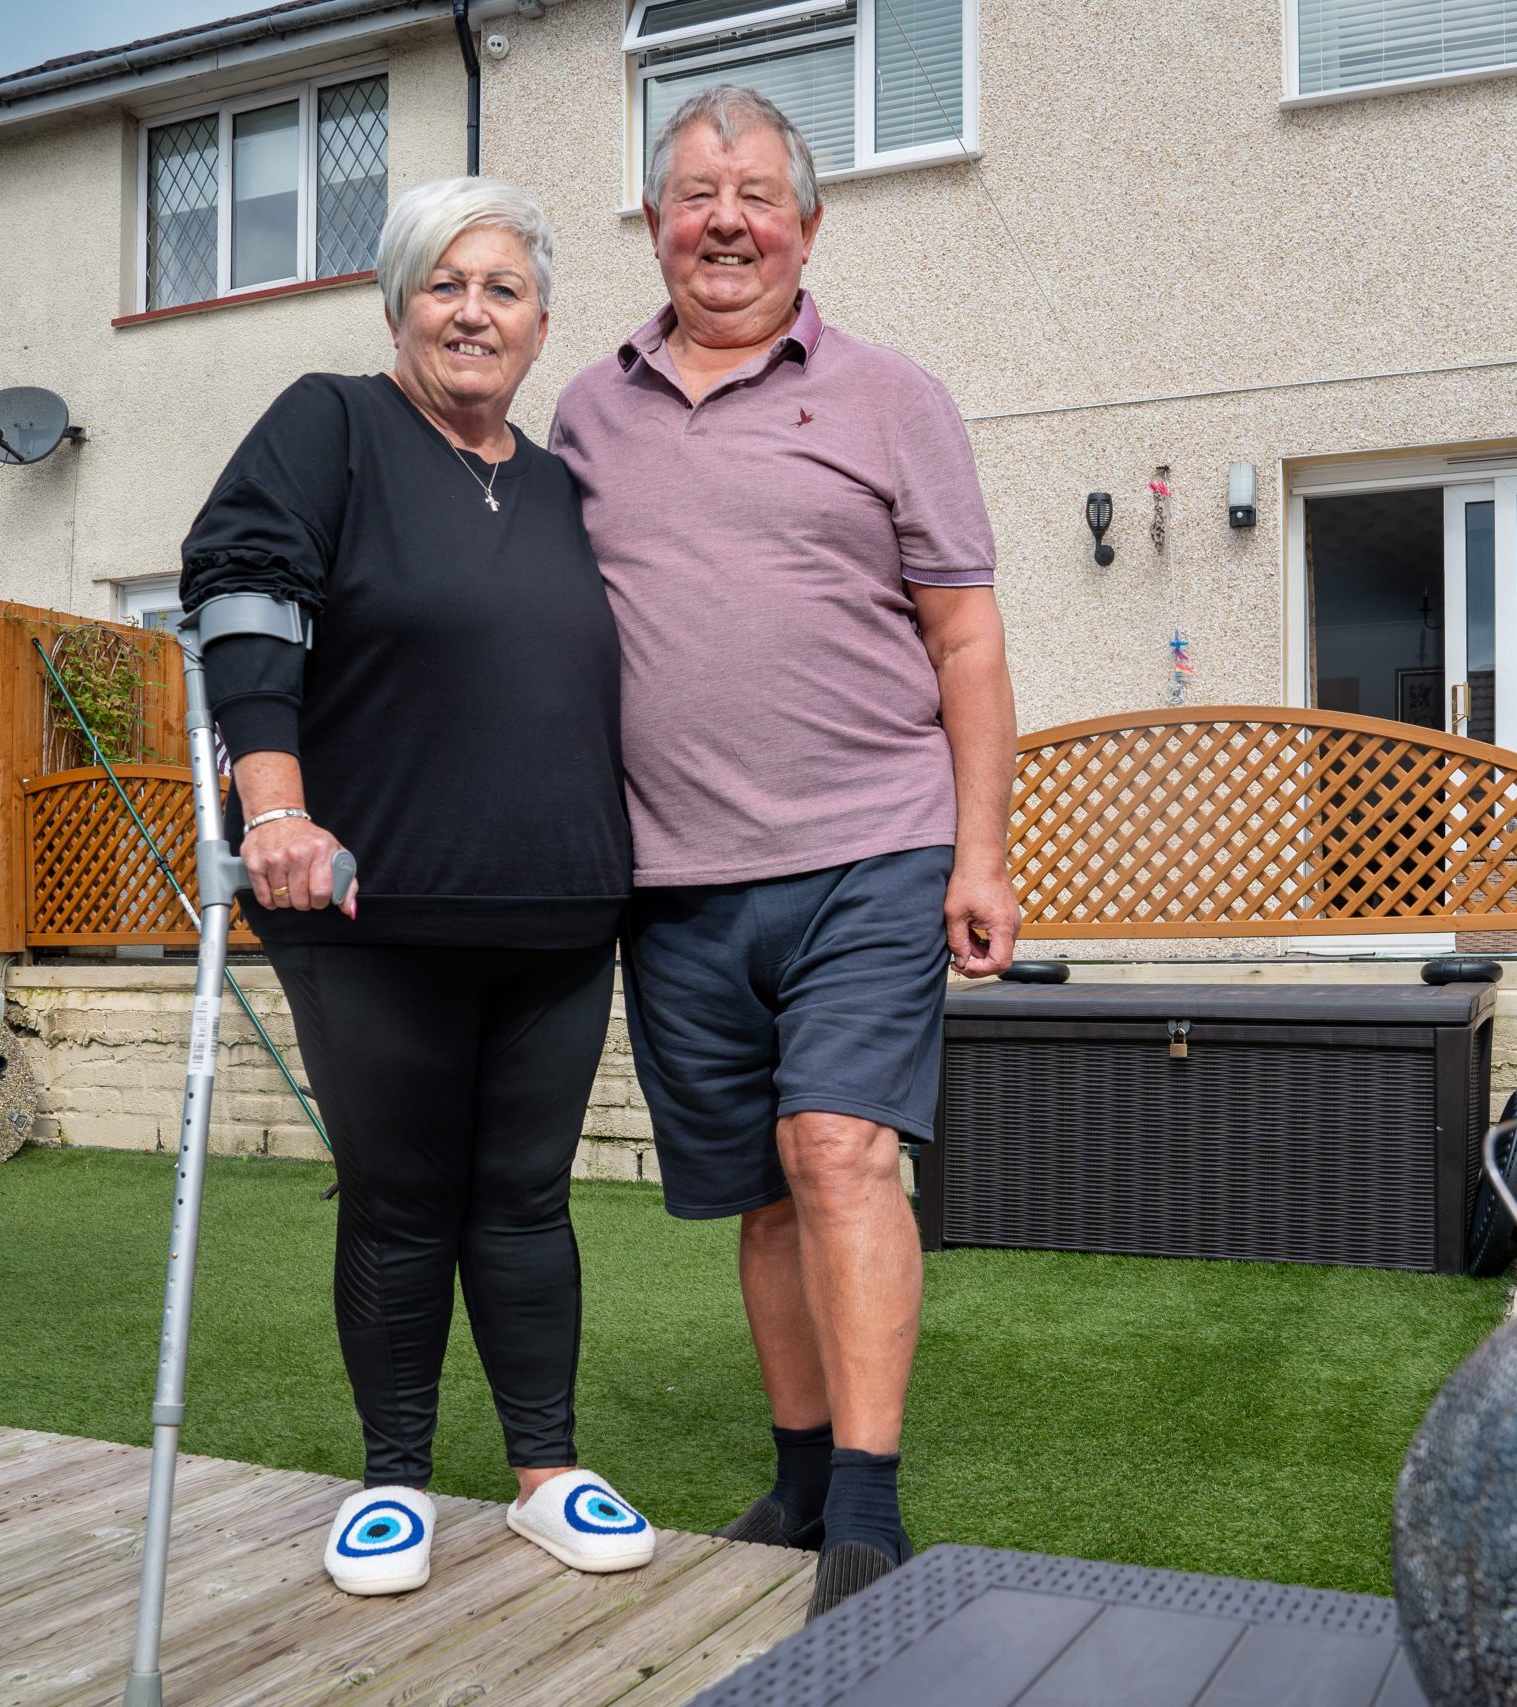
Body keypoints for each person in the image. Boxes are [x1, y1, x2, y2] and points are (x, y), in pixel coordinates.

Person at [550, 86, 1020, 1619]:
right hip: (673, 882)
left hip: (870, 851)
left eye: (756, 192)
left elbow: (966, 641)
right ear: (657, 223)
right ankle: (801, 1475)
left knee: (841, 1155)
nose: (727, 219)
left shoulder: (895, 398)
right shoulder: (587, 417)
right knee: (762, 1192)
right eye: (696, 193)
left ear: (808, 225)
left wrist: (982, 854)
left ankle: (867, 1511)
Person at [177, 177, 654, 1596]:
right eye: (443, 283)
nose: (472, 312)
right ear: (397, 304)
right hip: (373, 906)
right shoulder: (332, 424)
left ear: (541, 322)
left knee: (525, 1197)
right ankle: (392, 1480)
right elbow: (243, 588)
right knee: (400, 1200)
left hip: (561, 913)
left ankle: (546, 1474)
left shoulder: (565, 482)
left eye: (502, 289)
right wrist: (277, 806)